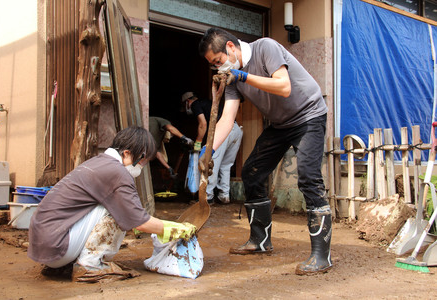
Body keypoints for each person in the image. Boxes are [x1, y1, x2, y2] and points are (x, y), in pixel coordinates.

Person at [198, 28, 331, 275]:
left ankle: (322, 256)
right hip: (281, 124)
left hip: (309, 115)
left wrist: (242, 76)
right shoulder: (232, 77)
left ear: (230, 47)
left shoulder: (265, 47)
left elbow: (283, 87)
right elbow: (227, 119)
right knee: (252, 172)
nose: (218, 68)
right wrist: (208, 150)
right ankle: (260, 241)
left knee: (309, 178)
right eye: (213, 66)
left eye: (218, 61)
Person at [28, 126, 197, 282]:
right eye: (142, 161)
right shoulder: (117, 173)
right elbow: (140, 221)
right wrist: (176, 229)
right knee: (118, 208)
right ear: (126, 153)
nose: (142, 166)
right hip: (58, 246)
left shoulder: (99, 162)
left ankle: (67, 265)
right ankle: (91, 265)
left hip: (46, 248)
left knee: (118, 206)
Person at [181, 91, 242, 204]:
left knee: (211, 162)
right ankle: (224, 195)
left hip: (223, 130)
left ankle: (207, 197)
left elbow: (202, 124)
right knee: (226, 165)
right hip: (236, 129)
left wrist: (198, 142)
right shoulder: (207, 102)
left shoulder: (195, 105)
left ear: (188, 101)